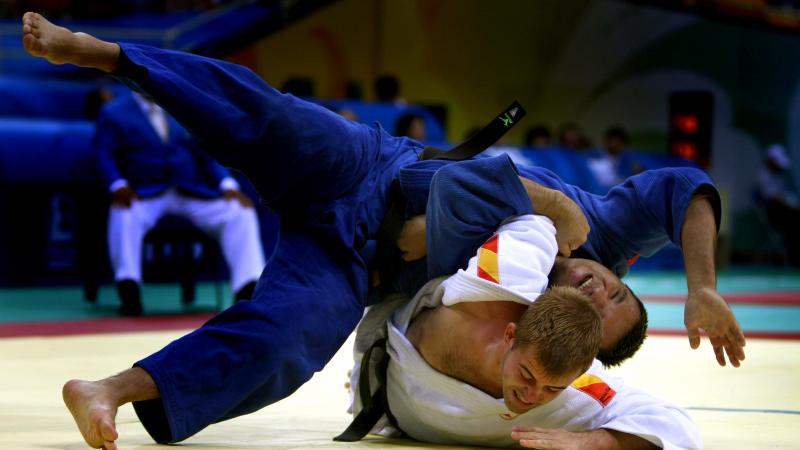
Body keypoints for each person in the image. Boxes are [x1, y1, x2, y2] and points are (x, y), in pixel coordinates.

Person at [21, 13, 743, 449]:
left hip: (350, 264)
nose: (596, 290)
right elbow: (684, 187)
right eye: (618, 288)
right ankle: (113, 55)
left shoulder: (519, 321)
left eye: (599, 315)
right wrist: (702, 286)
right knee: (271, 117)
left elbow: (621, 408)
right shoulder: (601, 231)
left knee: (284, 343)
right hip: (370, 163)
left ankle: (110, 390)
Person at [347, 215, 700, 449]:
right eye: (528, 374)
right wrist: (434, 227)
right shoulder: (498, 282)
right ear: (510, 334)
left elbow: (677, 428)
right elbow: (534, 223)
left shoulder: (578, 390)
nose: (531, 396)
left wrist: (590, 442)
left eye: (551, 387)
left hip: (388, 403)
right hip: (381, 333)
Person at [94, 89, 266, 315]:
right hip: (144, 191)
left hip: (189, 190)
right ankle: (129, 290)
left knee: (238, 211)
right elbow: (103, 154)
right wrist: (118, 184)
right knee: (125, 214)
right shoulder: (114, 112)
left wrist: (227, 185)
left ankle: (247, 288)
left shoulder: (181, 105)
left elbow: (206, 152)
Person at [754, 143, 800, 265]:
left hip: (784, 211)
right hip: (773, 214)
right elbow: (774, 199)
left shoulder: (779, 177)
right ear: (771, 160)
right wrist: (793, 206)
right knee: (795, 221)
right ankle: (794, 259)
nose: (780, 166)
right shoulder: (762, 175)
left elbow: (784, 196)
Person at [588, 126, 628, 190]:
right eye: (613, 141)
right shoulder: (593, 156)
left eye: (618, 141)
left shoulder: (628, 160)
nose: (615, 144)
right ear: (606, 141)